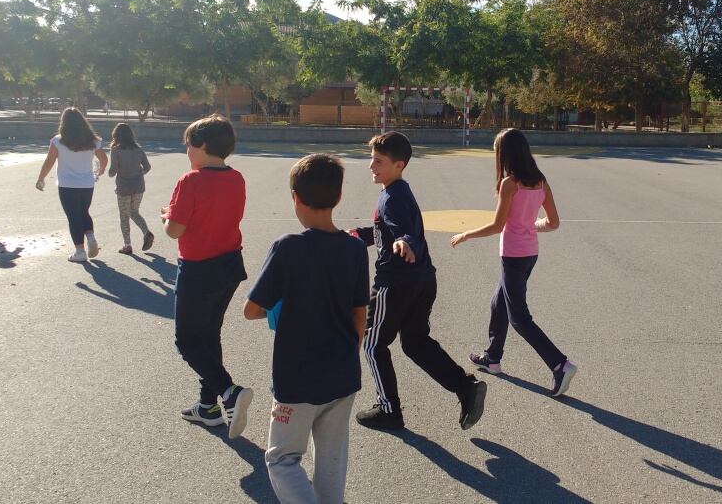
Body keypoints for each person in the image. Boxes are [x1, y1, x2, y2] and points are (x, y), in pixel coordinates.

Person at [245, 154, 369, 504]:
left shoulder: (288, 247)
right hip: (343, 371)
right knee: (332, 462)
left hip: (296, 376)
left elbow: (252, 310)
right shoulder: (355, 248)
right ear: (339, 197)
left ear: (295, 197)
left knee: (282, 459)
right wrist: (349, 351)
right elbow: (360, 312)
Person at [349, 131, 486, 431]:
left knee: (372, 344)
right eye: (371, 160)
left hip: (395, 284)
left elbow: (402, 230)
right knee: (415, 342)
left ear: (399, 165)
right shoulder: (398, 191)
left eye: (379, 162)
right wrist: (358, 236)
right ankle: (466, 387)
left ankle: (389, 410)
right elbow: (388, 229)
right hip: (422, 281)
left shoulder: (392, 197)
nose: (372, 167)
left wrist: (404, 241)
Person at [450, 128, 576, 397]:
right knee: (499, 302)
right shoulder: (540, 181)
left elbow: (497, 225)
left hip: (514, 255)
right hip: (530, 254)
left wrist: (466, 234)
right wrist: (530, 225)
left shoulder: (510, 183)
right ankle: (492, 358)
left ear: (504, 154)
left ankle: (559, 364)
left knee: (519, 318)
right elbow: (553, 223)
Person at [163, 115, 252, 439]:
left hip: (198, 268)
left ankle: (228, 392)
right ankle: (208, 405)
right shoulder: (237, 178)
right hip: (228, 265)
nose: (187, 151)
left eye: (188, 144)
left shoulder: (191, 180)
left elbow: (175, 230)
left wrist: (167, 218)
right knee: (209, 334)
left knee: (187, 341)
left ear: (201, 145)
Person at [34, 107, 108, 262]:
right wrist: (99, 171)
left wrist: (41, 178)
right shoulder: (93, 141)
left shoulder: (58, 141)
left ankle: (80, 251)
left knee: (73, 217)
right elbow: (104, 159)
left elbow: (49, 161)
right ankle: (91, 237)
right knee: (84, 211)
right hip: (87, 184)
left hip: (67, 184)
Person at [107, 123, 154, 255]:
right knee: (134, 212)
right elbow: (148, 166)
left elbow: (113, 170)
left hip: (124, 187)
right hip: (139, 185)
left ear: (116, 135)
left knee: (124, 216)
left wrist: (108, 172)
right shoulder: (138, 149)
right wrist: (138, 174)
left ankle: (127, 245)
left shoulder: (115, 150)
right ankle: (146, 232)